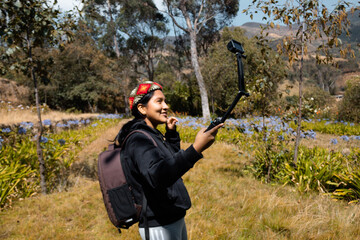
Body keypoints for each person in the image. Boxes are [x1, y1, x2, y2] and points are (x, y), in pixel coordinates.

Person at [116, 81, 223, 240]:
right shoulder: (138, 139)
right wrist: (196, 149)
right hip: (159, 224)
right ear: (142, 108)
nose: (165, 106)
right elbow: (159, 176)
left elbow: (169, 163)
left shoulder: (151, 134)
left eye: (165, 101)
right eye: (159, 101)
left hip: (171, 218)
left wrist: (171, 135)